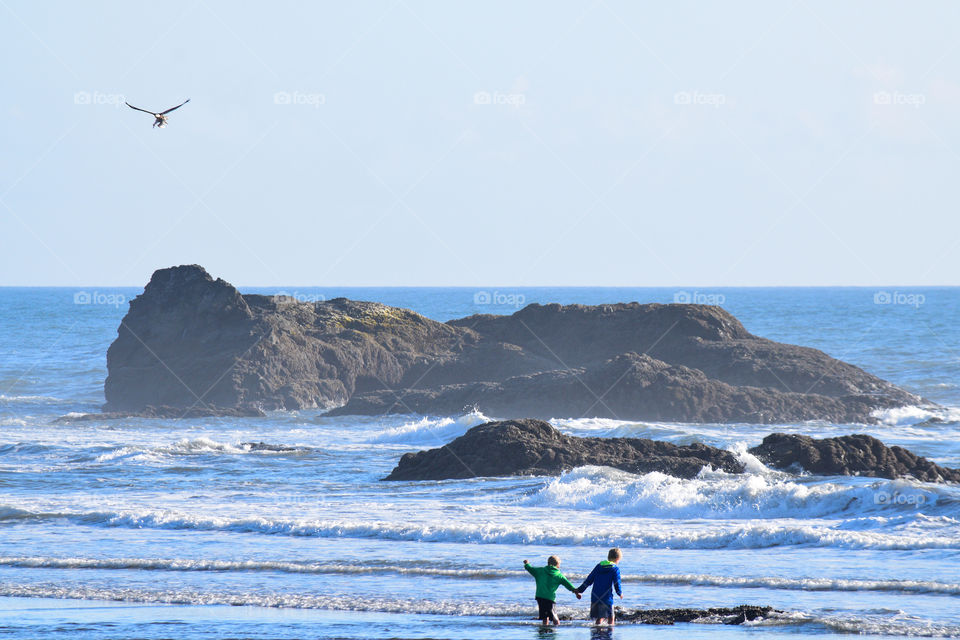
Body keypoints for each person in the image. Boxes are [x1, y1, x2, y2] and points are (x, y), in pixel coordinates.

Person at [523, 556, 582, 625]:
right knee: (554, 615)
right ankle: (556, 627)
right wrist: (576, 592)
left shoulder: (540, 571)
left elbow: (530, 569)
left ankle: (545, 630)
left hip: (540, 596)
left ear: (548, 563)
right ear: (557, 565)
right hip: (550, 598)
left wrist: (527, 564)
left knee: (545, 616)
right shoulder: (559, 575)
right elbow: (568, 585)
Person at [576, 548, 623, 626]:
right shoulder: (615, 569)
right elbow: (616, 582)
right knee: (611, 617)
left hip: (595, 596)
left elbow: (589, 579)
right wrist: (619, 592)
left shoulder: (599, 566)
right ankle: (610, 631)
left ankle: (597, 631)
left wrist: (580, 590)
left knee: (599, 617)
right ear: (617, 559)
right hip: (606, 597)